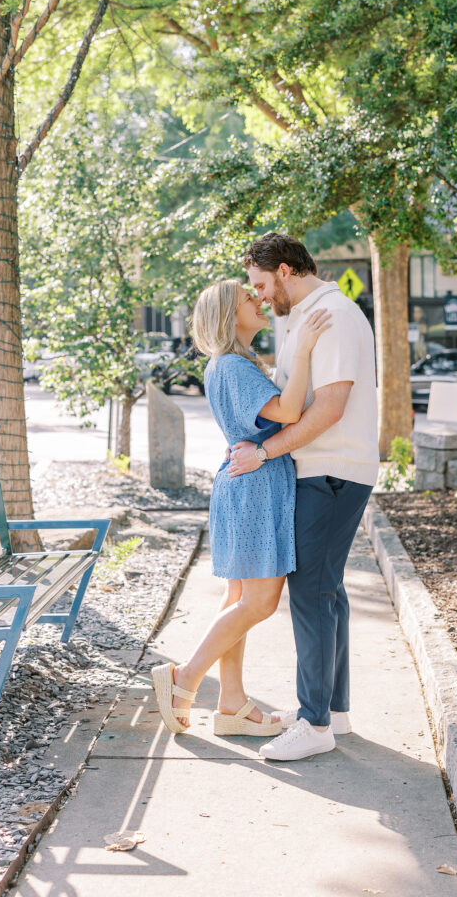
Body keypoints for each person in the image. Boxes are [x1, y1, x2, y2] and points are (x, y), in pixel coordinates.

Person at [152, 279, 330, 736]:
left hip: (244, 482)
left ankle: (231, 704)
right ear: (231, 316)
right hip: (255, 486)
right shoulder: (232, 365)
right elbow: (289, 412)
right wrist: (305, 346)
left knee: (238, 600)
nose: (259, 300)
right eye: (249, 299)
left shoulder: (227, 364)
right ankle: (185, 677)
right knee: (259, 602)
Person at [228, 233, 380, 761]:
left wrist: (265, 454)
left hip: (332, 470)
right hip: (326, 470)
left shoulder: (331, 316)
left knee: (311, 594)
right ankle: (332, 712)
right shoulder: (307, 318)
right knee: (327, 591)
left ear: (287, 270)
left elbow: (331, 407)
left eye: (262, 284)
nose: (261, 296)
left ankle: (313, 725)